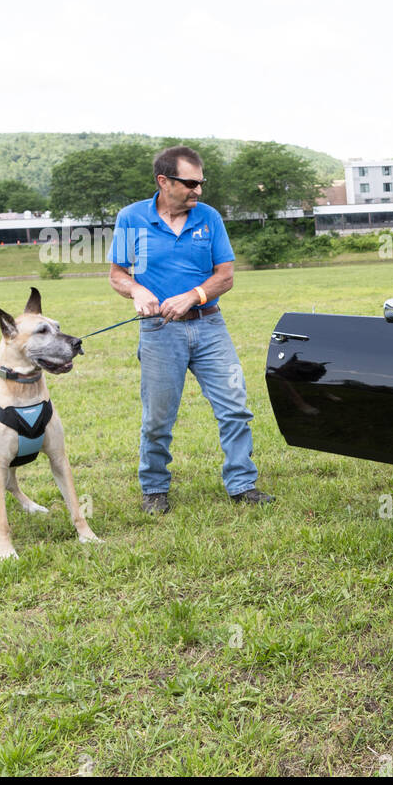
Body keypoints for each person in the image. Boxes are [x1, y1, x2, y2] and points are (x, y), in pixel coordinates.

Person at [107, 145, 273, 513]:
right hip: (159, 332)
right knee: (157, 418)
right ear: (163, 181)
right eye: (190, 183)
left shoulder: (209, 218)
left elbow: (225, 275)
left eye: (201, 183)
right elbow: (117, 274)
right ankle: (154, 488)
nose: (198, 191)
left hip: (210, 326)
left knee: (234, 408)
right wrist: (136, 290)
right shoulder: (132, 218)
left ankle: (242, 484)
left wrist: (193, 296)